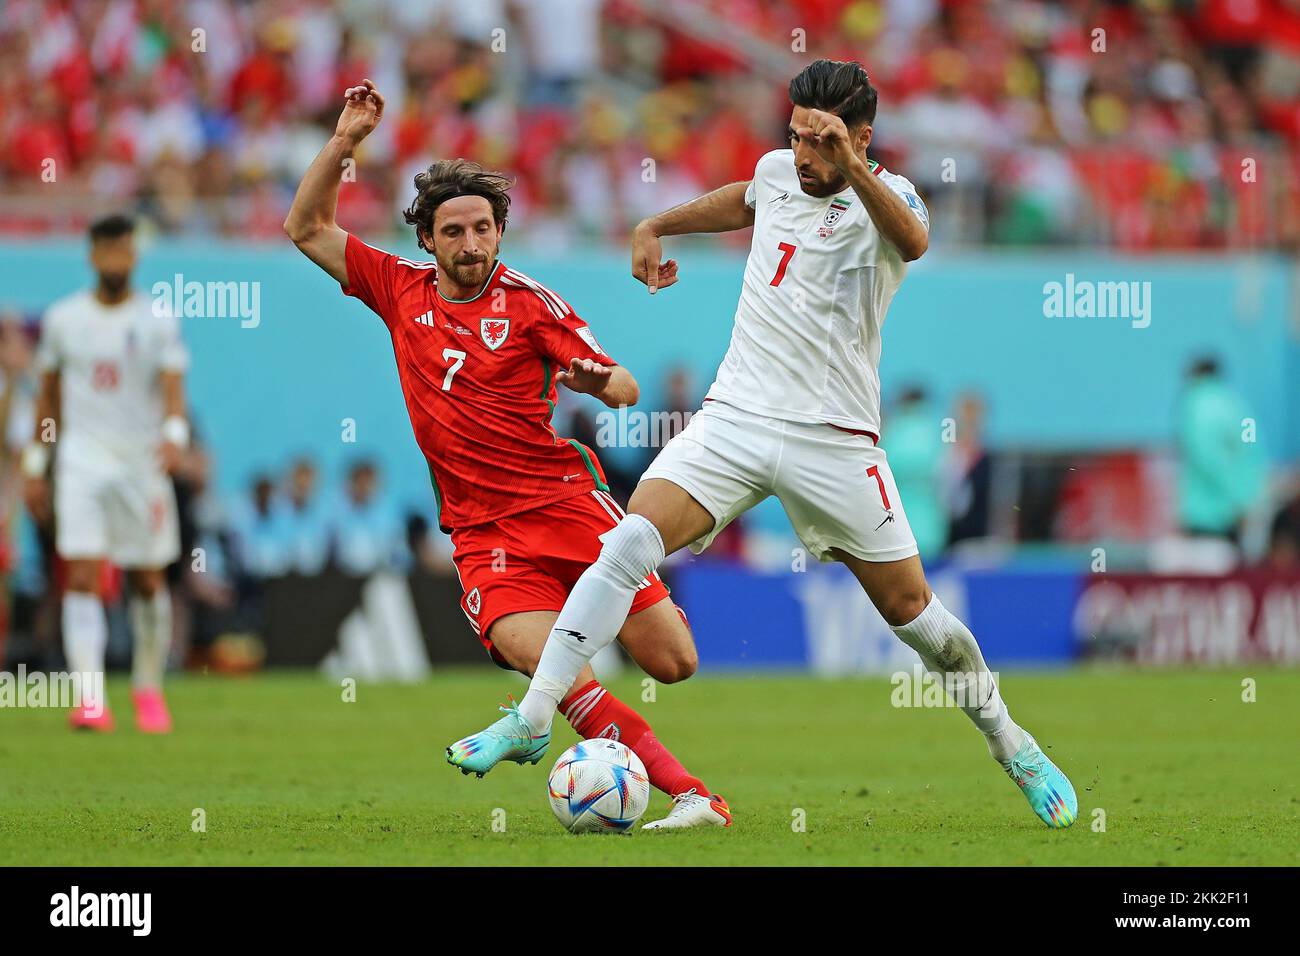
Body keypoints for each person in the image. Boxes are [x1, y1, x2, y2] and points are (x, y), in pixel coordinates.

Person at [449, 59, 1078, 829]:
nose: (806, 156)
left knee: (916, 614)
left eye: (825, 142)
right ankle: (535, 716)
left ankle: (1014, 745)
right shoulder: (780, 173)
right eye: (798, 137)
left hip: (836, 441)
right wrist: (657, 224)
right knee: (627, 543)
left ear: (861, 139)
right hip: (736, 418)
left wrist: (854, 169)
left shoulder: (896, 198)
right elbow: (745, 200)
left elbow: (912, 241)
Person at [284, 79, 729, 830]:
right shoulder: (398, 289)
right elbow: (306, 228)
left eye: (483, 229)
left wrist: (602, 382)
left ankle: (568, 716)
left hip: (565, 507)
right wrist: (344, 143)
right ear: (426, 239)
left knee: (674, 663)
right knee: (558, 673)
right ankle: (694, 796)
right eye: (453, 231)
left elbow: (618, 380)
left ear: (500, 232)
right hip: (483, 534)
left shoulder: (529, 304)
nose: (470, 244)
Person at [23, 214, 190, 733]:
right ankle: (90, 698)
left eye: (125, 251)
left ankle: (146, 687)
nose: (117, 261)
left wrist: (174, 435)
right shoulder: (64, 320)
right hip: (81, 461)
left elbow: (172, 393)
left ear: (134, 256)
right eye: (107, 251)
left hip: (141, 463)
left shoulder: (157, 320)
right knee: (81, 573)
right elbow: (48, 399)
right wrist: (36, 461)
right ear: (92, 256)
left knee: (146, 578)